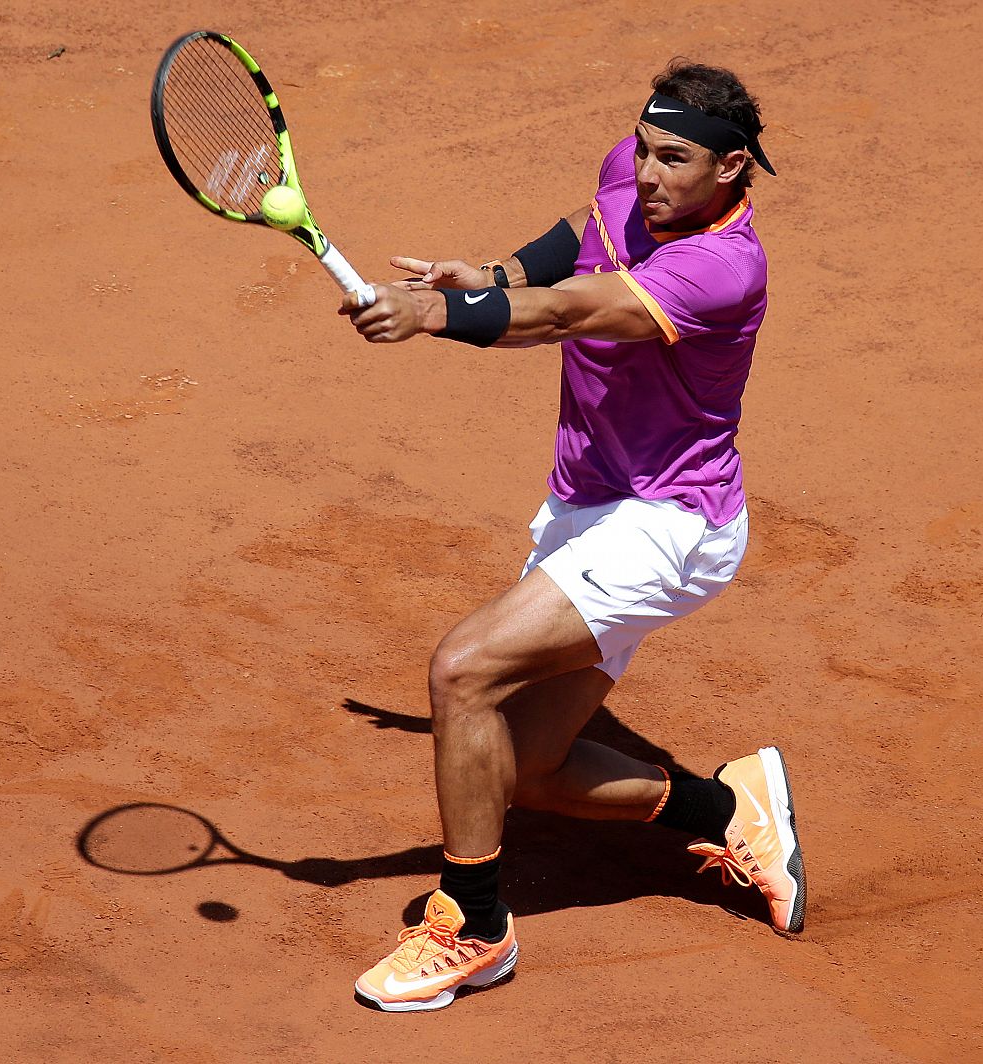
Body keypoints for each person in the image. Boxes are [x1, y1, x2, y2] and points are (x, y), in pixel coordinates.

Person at [338, 60, 803, 1013]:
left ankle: (473, 928)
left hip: (669, 527)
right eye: (642, 147)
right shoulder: (636, 175)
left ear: (732, 169)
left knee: (462, 671)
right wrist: (491, 273)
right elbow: (576, 240)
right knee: (525, 772)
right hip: (587, 506)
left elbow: (569, 311)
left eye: (674, 159)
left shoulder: (722, 269)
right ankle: (730, 807)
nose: (648, 172)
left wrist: (435, 312)